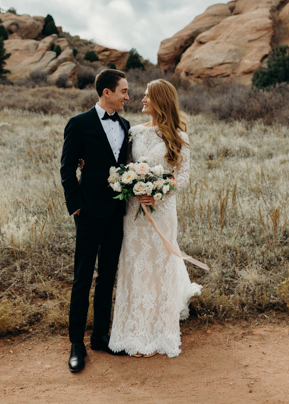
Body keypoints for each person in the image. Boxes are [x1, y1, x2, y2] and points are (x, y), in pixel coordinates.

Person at [109, 79, 202, 358]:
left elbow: (183, 177)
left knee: (159, 266)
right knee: (135, 265)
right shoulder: (133, 133)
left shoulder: (179, 137)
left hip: (162, 211)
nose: (142, 99)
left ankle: (159, 334)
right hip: (133, 214)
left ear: (160, 100)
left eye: (148, 96)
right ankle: (134, 332)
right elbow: (119, 165)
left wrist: (160, 192)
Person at [60, 69, 130, 373]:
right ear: (107, 93)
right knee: (83, 278)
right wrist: (75, 206)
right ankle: (76, 343)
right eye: (124, 91)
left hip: (116, 213)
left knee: (107, 277)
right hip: (88, 213)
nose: (128, 96)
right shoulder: (79, 123)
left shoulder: (125, 125)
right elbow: (67, 169)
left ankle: (101, 337)